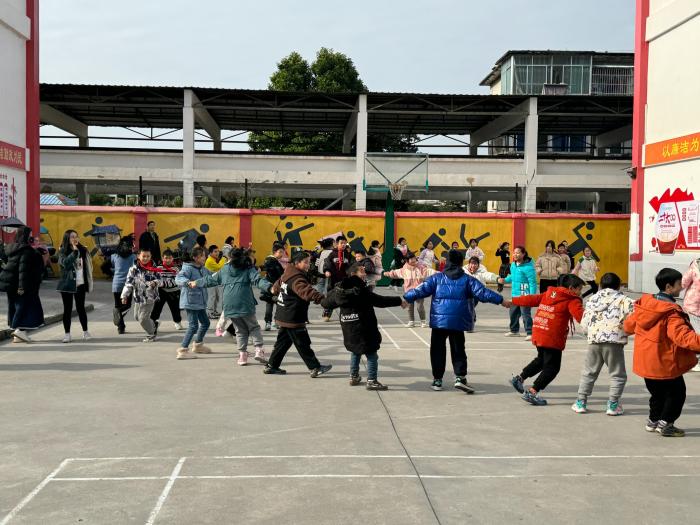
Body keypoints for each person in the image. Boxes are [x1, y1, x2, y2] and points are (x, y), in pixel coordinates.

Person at [405, 249, 510, 393]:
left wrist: (405, 298)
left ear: (447, 262)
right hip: (458, 321)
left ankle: (437, 380)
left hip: (439, 322)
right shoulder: (467, 279)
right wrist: (501, 300)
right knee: (458, 350)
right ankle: (460, 377)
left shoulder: (437, 278)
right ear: (461, 263)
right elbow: (483, 293)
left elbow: (419, 290)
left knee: (437, 350)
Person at [623, 268, 700, 437]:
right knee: (677, 394)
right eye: (679, 284)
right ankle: (666, 424)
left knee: (657, 394)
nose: (681, 287)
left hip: (646, 362)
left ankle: (653, 421)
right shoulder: (670, 311)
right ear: (669, 287)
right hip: (664, 362)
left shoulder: (645, 304)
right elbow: (682, 336)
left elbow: (628, 326)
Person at [321, 263, 406, 390]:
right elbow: (379, 300)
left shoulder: (339, 289)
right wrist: (399, 301)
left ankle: (354, 376)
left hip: (348, 327)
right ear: (353, 274)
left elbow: (326, 303)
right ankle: (372, 380)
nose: (365, 273)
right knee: (371, 353)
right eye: (362, 271)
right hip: (364, 327)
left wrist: (335, 294)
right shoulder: (360, 289)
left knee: (355, 351)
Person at [509, 274, 585, 406]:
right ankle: (533, 391)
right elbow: (582, 317)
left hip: (539, 330)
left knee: (542, 360)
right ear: (572, 288)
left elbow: (531, 299)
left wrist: (513, 301)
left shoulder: (549, 293)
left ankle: (519, 378)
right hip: (552, 337)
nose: (580, 293)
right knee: (552, 368)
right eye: (579, 289)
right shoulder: (572, 299)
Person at [192, 248, 271, 366]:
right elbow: (258, 280)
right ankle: (259, 350)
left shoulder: (225, 269)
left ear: (229, 258)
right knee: (253, 327)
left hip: (229, 304)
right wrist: (270, 287)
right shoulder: (248, 268)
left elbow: (211, 279)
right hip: (244, 302)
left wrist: (196, 282)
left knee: (240, 330)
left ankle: (242, 356)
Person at [572, 272, 634, 415]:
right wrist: (626, 331)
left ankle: (581, 402)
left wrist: (589, 333)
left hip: (594, 340)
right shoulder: (624, 300)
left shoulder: (592, 299)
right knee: (617, 374)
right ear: (618, 286)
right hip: (614, 340)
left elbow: (585, 321)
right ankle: (613, 405)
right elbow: (634, 318)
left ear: (600, 285)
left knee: (589, 371)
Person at [265, 251, 332, 377]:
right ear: (297, 263)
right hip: (293, 316)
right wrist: (322, 299)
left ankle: (271, 366)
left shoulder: (288, 272)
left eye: (309, 262)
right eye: (305, 262)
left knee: (282, 343)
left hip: (284, 314)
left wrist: (274, 290)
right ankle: (315, 367)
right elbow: (306, 291)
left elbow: (277, 285)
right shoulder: (297, 278)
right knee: (303, 344)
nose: (308, 265)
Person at [0, 227, 45, 343]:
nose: (32, 237)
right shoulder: (26, 251)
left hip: (11, 283)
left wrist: (36, 252)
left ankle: (18, 335)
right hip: (22, 284)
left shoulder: (12, 248)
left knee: (15, 307)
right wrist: (21, 287)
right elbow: (22, 270)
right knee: (23, 307)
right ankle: (19, 330)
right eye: (30, 234)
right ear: (25, 236)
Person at [121, 248, 170, 343]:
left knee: (143, 319)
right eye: (143, 256)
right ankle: (154, 324)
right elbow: (129, 283)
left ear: (151, 257)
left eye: (148, 256)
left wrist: (155, 282)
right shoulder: (133, 269)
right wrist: (124, 295)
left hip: (149, 297)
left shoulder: (155, 268)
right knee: (136, 317)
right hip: (138, 298)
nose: (146, 258)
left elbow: (161, 281)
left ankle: (151, 334)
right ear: (138, 256)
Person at [56, 229, 93, 343]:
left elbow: (88, 266)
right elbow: (65, 263)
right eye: (72, 237)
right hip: (67, 285)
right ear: (67, 238)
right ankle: (67, 334)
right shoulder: (63, 251)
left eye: (76, 236)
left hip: (80, 284)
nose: (75, 239)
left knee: (81, 308)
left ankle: (85, 332)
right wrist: (74, 252)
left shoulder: (83, 250)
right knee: (67, 310)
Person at [174, 246, 210, 359]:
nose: (205, 257)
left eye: (204, 255)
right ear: (195, 257)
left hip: (200, 301)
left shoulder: (203, 268)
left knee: (205, 323)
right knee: (193, 326)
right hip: (191, 301)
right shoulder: (188, 268)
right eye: (202, 256)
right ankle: (183, 350)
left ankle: (198, 345)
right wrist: (188, 283)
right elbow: (178, 278)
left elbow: (213, 276)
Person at [384, 251, 434, 328]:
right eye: (411, 259)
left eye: (414, 258)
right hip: (409, 291)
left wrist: (440, 273)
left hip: (419, 290)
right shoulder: (404, 269)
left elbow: (430, 271)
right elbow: (395, 273)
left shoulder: (421, 268)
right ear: (407, 260)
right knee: (410, 307)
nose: (413, 260)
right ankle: (411, 321)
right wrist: (386, 273)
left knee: (420, 306)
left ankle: (423, 321)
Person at [504, 246, 537, 340]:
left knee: (525, 314)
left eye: (518, 253)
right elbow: (512, 277)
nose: (515, 254)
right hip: (515, 294)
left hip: (525, 295)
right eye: (514, 253)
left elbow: (532, 283)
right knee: (513, 313)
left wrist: (532, 296)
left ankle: (530, 332)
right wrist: (504, 280)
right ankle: (514, 331)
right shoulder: (513, 265)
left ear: (523, 254)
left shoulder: (529, 267)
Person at [463, 256, 503, 331]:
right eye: (471, 263)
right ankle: (471, 320)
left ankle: (470, 324)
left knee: (470, 306)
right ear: (469, 264)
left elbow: (488, 275)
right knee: (467, 307)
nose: (473, 265)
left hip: (477, 293)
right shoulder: (464, 270)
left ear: (478, 265)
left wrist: (497, 278)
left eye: (475, 264)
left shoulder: (482, 271)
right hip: (466, 293)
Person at [150, 249, 183, 332]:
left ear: (173, 258)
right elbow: (155, 279)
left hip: (174, 291)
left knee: (175, 308)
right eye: (166, 258)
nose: (167, 260)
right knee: (157, 307)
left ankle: (177, 322)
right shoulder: (158, 268)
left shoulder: (176, 269)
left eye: (169, 258)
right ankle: (153, 321)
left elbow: (177, 280)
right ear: (162, 258)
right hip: (161, 291)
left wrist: (163, 282)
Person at [322, 235, 352, 321]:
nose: (343, 245)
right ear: (337, 244)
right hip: (333, 279)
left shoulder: (348, 255)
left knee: (344, 298)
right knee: (330, 296)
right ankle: (327, 313)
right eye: (341, 243)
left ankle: (344, 315)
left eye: (345, 243)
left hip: (344, 280)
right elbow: (327, 263)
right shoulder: (332, 254)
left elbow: (352, 264)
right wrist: (327, 270)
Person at [111, 235, 136, 334]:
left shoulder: (114, 256)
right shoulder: (133, 257)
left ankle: (121, 327)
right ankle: (118, 314)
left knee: (118, 305)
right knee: (127, 305)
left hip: (116, 284)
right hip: (128, 285)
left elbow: (110, 266)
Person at [681, 257, 700, 371]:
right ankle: (696, 359)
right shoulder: (695, 266)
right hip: (693, 306)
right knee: (696, 334)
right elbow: (683, 283)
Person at [261, 243, 285, 331]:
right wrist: (260, 268)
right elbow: (266, 267)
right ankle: (272, 322)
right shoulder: (270, 260)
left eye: (283, 252)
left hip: (274, 286)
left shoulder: (273, 260)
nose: (282, 254)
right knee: (278, 304)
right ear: (275, 252)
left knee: (272, 304)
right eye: (280, 252)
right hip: (272, 286)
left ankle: (271, 322)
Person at [205, 245, 227, 319]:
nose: (217, 253)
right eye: (215, 251)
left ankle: (214, 311)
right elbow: (219, 267)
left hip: (214, 282)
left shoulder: (213, 259)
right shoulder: (210, 260)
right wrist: (223, 258)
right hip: (210, 282)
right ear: (210, 253)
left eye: (218, 251)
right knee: (212, 297)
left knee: (216, 296)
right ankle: (209, 313)